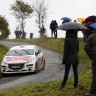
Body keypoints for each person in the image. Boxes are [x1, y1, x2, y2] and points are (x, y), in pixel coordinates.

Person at [84, 30, 96, 95]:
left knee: (95, 74)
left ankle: (93, 90)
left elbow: (86, 47)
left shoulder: (91, 36)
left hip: (95, 55)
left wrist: (91, 56)